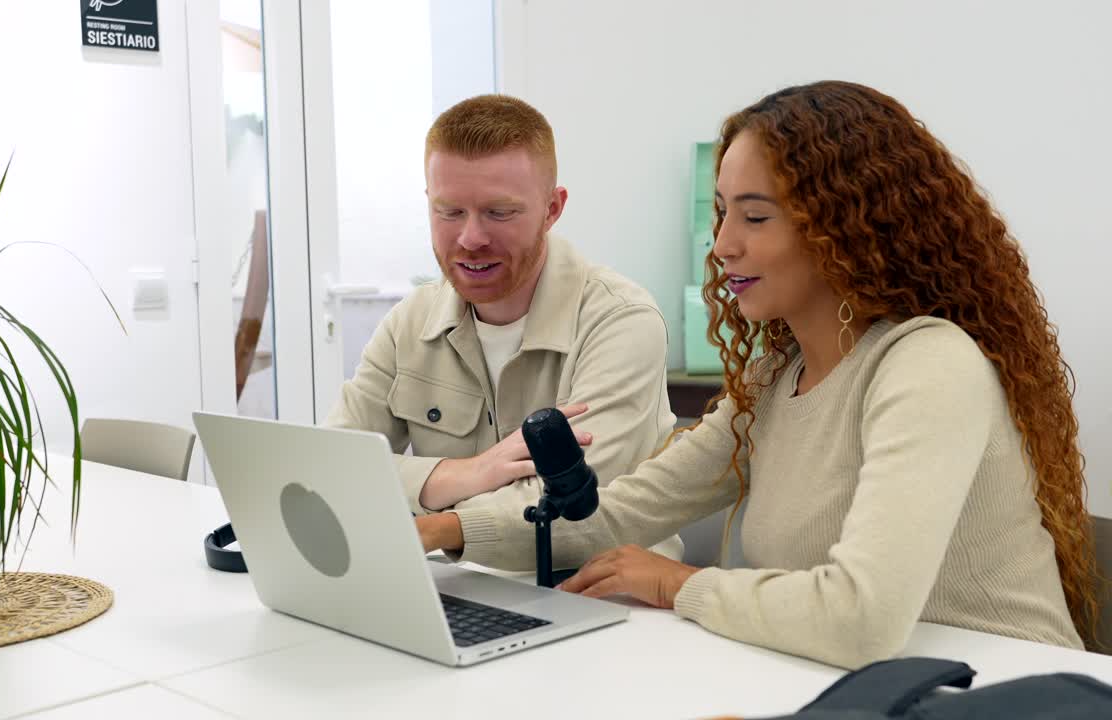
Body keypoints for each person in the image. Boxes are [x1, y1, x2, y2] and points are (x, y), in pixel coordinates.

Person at [417, 81, 1099, 669]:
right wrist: (450, 532)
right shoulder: (777, 378)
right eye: (722, 213)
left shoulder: (928, 363)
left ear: (847, 225)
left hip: (1000, 688)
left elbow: (861, 616)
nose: (722, 245)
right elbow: (624, 512)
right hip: (853, 684)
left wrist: (678, 584)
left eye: (754, 216)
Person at [328, 94, 683, 559]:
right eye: (449, 211)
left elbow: (571, 510)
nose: (471, 238)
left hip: (601, 598)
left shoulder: (621, 322)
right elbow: (334, 468)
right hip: (458, 588)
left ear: (552, 208)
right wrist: (464, 473)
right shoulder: (410, 322)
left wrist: (437, 524)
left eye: (499, 212)